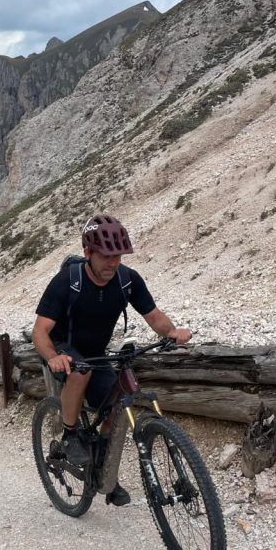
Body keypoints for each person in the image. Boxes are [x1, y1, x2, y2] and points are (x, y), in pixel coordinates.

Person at [32, 214, 191, 499]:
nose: (113, 262)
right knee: (80, 371)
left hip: (97, 353)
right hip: (64, 349)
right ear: (87, 253)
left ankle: (105, 475)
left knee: (117, 406)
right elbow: (40, 331)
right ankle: (70, 435)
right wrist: (52, 356)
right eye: (106, 255)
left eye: (118, 255)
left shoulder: (127, 280)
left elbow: (153, 316)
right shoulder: (68, 280)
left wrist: (173, 332)